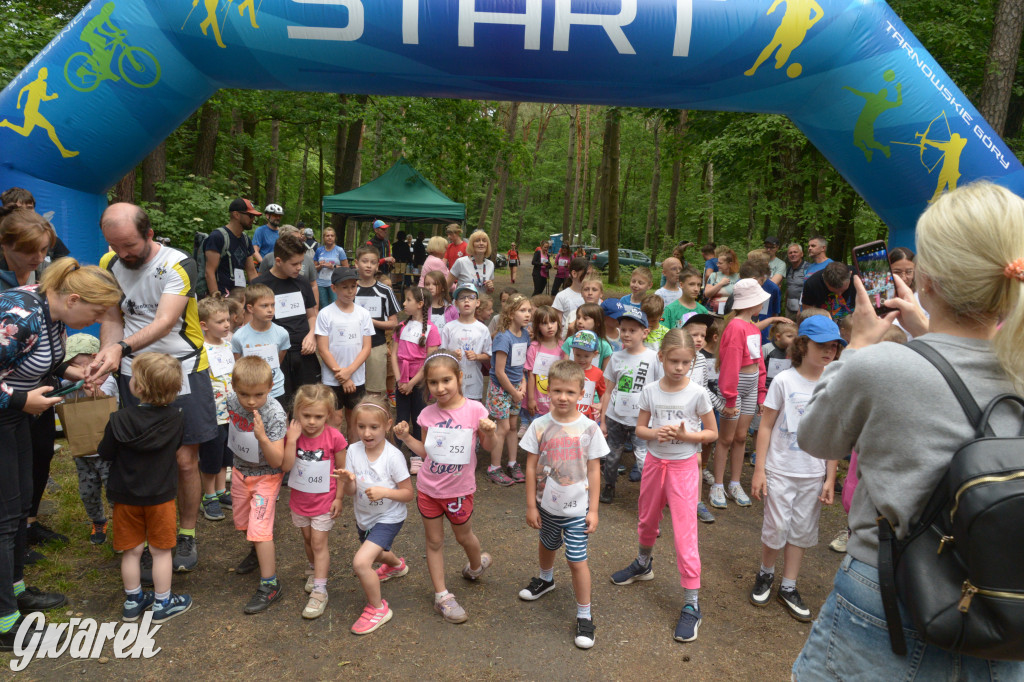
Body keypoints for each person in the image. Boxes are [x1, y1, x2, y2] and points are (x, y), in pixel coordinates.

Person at [793, 181, 1024, 679]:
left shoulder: (881, 368)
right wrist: (930, 332)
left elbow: (815, 437)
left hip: (885, 602)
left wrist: (856, 346)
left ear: (928, 279)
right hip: (1005, 614)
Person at [90, 203, 218, 575]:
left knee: (184, 460)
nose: (123, 254)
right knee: (141, 459)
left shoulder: (177, 263)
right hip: (135, 372)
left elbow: (165, 321)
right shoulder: (108, 263)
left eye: (129, 245)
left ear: (148, 234)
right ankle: (146, 538)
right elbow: (114, 318)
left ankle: (187, 532)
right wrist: (105, 357)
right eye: (115, 246)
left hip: (182, 368)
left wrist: (120, 348)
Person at [0, 258, 121, 649]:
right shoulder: (18, 316)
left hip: (16, 420)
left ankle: (15, 590)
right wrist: (19, 399)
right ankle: (4, 623)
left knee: (18, 510)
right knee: (2, 518)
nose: (99, 319)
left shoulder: (53, 314)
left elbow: (39, 362)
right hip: (6, 417)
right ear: (73, 298)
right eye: (97, 311)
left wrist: (75, 373)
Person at [610, 329, 717, 643]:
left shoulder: (697, 393)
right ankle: (643, 563)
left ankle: (691, 604)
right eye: (673, 361)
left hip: (684, 468)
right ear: (661, 358)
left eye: (686, 362)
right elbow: (640, 429)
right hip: (655, 464)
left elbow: (711, 433)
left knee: (686, 535)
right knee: (646, 520)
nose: (679, 367)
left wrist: (687, 437)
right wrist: (656, 433)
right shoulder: (651, 390)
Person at [748, 317, 842, 622]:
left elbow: (833, 433)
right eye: (822, 345)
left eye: (834, 346)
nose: (829, 351)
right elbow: (765, 426)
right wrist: (759, 469)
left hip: (812, 473)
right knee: (776, 526)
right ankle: (766, 573)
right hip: (780, 468)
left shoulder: (834, 382)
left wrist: (830, 476)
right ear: (803, 345)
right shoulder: (785, 381)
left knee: (801, 530)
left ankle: (789, 586)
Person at [394, 352, 497, 624]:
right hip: (429, 489)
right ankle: (442, 595)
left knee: (464, 537)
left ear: (460, 378)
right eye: (433, 382)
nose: (440, 388)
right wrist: (405, 437)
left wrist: (489, 432)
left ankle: (476, 566)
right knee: (434, 541)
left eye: (447, 380)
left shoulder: (475, 410)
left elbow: (488, 447)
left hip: (460, 491)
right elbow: (427, 453)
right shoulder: (427, 414)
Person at [518, 359, 609, 650]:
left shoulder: (589, 428)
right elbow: (530, 467)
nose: (562, 397)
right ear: (548, 391)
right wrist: (531, 506)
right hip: (546, 505)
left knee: (576, 560)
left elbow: (594, 470)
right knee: (546, 543)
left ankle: (585, 614)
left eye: (570, 392)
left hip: (577, 510)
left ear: (582, 392)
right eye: (557, 390)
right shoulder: (539, 425)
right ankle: (546, 579)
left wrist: (593, 509)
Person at [99, 352, 193, 623]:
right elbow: (175, 448)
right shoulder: (177, 418)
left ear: (137, 387)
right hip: (161, 496)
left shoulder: (117, 419)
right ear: (175, 389)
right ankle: (163, 603)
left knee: (132, 550)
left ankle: (133, 600)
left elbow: (105, 452)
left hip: (125, 496)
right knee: (161, 551)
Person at [0, 207, 69, 551]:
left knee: (26, 480)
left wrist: (67, 369)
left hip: (26, 404)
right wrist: (18, 399)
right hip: (10, 406)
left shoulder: (40, 281)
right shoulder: (14, 303)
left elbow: (36, 350)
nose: (39, 258)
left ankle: (24, 535)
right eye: (30, 251)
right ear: (5, 244)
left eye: (45, 250)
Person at [333, 397, 413, 634]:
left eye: (374, 427)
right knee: (378, 553)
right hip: (365, 517)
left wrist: (385, 492)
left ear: (388, 424)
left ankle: (378, 608)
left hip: (389, 517)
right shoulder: (353, 451)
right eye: (361, 427)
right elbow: (350, 491)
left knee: (361, 562)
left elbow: (409, 493)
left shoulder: (393, 456)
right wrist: (347, 483)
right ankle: (396, 566)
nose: (366, 433)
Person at [225, 356, 288, 614]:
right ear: (234, 388)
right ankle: (256, 551)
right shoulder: (231, 401)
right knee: (243, 523)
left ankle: (270, 584)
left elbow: (278, 460)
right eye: (244, 394)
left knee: (260, 528)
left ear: (271, 386)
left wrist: (261, 437)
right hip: (240, 472)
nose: (251, 401)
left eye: (259, 394)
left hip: (266, 476)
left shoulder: (274, 413)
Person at [281, 384, 348, 620]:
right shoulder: (294, 436)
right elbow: (286, 466)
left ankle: (320, 590)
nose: (311, 421)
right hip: (300, 499)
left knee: (319, 543)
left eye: (318, 416)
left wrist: (339, 497)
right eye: (306, 415)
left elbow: (341, 470)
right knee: (308, 539)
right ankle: (313, 569)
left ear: (328, 415)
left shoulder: (335, 437)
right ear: (296, 413)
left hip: (324, 500)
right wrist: (291, 440)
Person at [709, 279, 768, 510]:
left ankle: (734, 482)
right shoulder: (735, 327)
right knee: (725, 438)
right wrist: (730, 399)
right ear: (752, 302)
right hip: (735, 385)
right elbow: (731, 364)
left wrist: (761, 394)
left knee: (741, 436)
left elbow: (759, 361)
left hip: (752, 384)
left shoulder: (753, 327)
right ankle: (717, 483)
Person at [598, 308, 663, 503]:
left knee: (644, 457)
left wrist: (656, 419)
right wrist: (603, 421)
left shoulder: (653, 358)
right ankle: (609, 485)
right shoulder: (616, 357)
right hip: (615, 417)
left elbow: (659, 389)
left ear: (645, 332)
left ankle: (648, 493)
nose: (626, 334)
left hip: (642, 420)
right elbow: (608, 391)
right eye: (623, 329)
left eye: (632, 330)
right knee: (611, 456)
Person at [59, 333, 118, 544]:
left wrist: (95, 389)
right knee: (88, 492)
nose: (71, 369)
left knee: (114, 491)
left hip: (107, 452)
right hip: (83, 452)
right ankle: (98, 521)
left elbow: (107, 399)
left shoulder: (109, 380)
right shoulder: (68, 382)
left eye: (75, 364)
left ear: (95, 359)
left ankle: (122, 523)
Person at [252, 234, 319, 407]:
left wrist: (312, 335)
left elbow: (311, 315)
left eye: (301, 263)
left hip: (304, 353)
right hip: (277, 355)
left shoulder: (302, 283)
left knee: (307, 402)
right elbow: (250, 323)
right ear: (279, 260)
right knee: (280, 404)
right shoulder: (261, 285)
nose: (299, 268)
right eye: (294, 264)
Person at [197, 294, 236, 521]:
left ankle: (221, 491)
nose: (226, 325)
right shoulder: (201, 350)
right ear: (204, 325)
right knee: (211, 456)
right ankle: (208, 496)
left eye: (227, 320)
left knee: (225, 454)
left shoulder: (228, 345)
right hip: (212, 414)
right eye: (220, 322)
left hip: (230, 412)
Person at [487, 294, 533, 485]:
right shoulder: (503, 337)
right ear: (511, 313)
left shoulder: (524, 335)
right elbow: (499, 371)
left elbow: (520, 365)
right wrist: (513, 392)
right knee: (503, 427)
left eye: (529, 310)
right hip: (500, 388)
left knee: (513, 426)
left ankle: (512, 463)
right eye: (522, 310)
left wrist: (522, 383)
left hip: (516, 387)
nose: (527, 314)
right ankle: (494, 467)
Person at [391, 285, 441, 451]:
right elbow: (393, 355)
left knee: (420, 418)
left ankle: (417, 454)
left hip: (419, 383)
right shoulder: (401, 326)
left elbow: (429, 361)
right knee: (401, 417)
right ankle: (395, 452)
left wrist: (412, 383)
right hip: (401, 381)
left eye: (408, 300)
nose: (404, 303)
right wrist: (400, 380)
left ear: (420, 304)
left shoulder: (432, 331)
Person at [354, 245, 400, 398]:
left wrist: (369, 321)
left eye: (373, 262)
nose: (368, 265)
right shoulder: (349, 288)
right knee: (353, 391)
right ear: (356, 263)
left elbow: (394, 322)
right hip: (352, 347)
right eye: (364, 261)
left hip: (376, 345)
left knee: (374, 392)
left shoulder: (385, 290)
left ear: (377, 265)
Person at [230, 284, 290, 399]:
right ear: (250, 308)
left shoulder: (282, 333)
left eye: (272, 305)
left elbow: (279, 359)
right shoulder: (239, 337)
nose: (270, 310)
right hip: (251, 393)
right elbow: (238, 364)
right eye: (264, 306)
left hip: (275, 389)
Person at [440, 283, 491, 411]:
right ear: (456, 303)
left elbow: (489, 355)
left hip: (474, 383)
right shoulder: (449, 327)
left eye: (471, 297)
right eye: (462, 298)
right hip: (452, 383)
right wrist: (452, 355)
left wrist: (477, 356)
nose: (466, 300)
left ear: (477, 303)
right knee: (452, 412)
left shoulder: (483, 329)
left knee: (472, 414)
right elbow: (441, 354)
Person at [204, 198, 260, 297]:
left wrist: (259, 296)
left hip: (239, 297)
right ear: (236, 215)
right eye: (250, 216)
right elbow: (209, 272)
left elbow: (251, 271)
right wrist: (217, 300)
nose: (253, 219)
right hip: (222, 297)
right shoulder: (217, 237)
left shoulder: (246, 239)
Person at [524, 305, 564, 431]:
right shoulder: (534, 348)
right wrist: (531, 399)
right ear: (537, 327)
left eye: (552, 321)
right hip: (538, 402)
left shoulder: (563, 348)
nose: (550, 326)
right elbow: (531, 375)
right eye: (544, 323)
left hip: (557, 403)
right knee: (538, 436)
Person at [567, 331, 607, 422]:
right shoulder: (567, 369)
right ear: (573, 351)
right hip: (567, 415)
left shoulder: (598, 373)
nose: (581, 359)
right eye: (577, 355)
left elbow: (603, 392)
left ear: (595, 354)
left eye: (586, 356)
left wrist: (601, 404)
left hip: (587, 418)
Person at [449, 230, 495, 294]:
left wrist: (490, 288)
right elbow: (447, 285)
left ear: (487, 245)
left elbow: (489, 292)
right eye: (477, 241)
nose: (481, 243)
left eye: (484, 241)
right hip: (463, 302)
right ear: (471, 244)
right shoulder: (461, 262)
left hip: (481, 302)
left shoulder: (490, 264)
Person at [314, 227, 348, 309]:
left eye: (332, 236)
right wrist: (320, 266)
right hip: (320, 283)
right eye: (327, 235)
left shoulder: (339, 250)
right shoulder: (319, 250)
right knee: (324, 307)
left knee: (335, 305)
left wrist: (333, 266)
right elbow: (314, 268)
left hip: (334, 283)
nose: (330, 237)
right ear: (324, 237)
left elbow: (346, 267)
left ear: (335, 237)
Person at [552, 257, 588, 334]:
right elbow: (557, 324)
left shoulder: (592, 296)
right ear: (574, 273)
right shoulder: (562, 296)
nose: (590, 278)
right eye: (587, 274)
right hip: (567, 340)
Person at [703, 248, 739, 314]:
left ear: (730, 264)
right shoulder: (714, 275)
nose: (717, 265)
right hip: (713, 313)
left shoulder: (738, 277)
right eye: (717, 262)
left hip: (731, 313)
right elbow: (707, 294)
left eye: (720, 263)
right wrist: (720, 284)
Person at [784, 243, 809, 316]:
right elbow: (788, 288)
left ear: (801, 254)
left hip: (803, 309)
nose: (793, 254)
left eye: (795, 252)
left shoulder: (808, 268)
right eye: (790, 253)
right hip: (789, 309)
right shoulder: (788, 269)